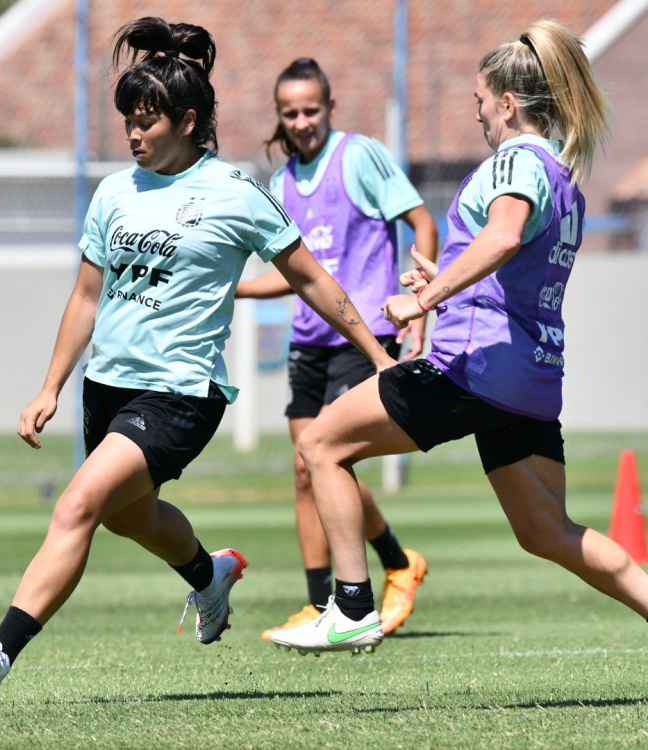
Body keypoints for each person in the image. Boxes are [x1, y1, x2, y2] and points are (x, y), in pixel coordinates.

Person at [0, 16, 395, 705]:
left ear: (188, 120)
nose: (134, 132)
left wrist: (376, 356)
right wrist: (50, 387)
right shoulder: (115, 193)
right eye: (128, 118)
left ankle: (0, 651)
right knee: (133, 518)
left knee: (78, 507)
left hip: (179, 394)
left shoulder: (236, 194)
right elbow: (86, 297)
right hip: (108, 387)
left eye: (148, 121)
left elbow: (313, 279)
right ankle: (208, 574)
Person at [272, 19, 648, 656]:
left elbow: (503, 237)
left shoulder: (515, 159)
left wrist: (423, 297)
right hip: (531, 375)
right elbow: (515, 263)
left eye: (479, 101)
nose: (476, 114)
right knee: (548, 532)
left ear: (506, 103)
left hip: (473, 366)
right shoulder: (564, 175)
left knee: (320, 446)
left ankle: (353, 607)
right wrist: (446, 274)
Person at [236, 58, 438, 641]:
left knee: (330, 457)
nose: (301, 121)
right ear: (280, 116)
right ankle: (324, 599)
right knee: (308, 470)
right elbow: (299, 276)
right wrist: (236, 290)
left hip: (366, 336)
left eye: (310, 110)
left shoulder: (360, 156)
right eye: (290, 113)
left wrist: (420, 305)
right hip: (311, 341)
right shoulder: (279, 185)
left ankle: (393, 566)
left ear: (330, 107)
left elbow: (422, 223)